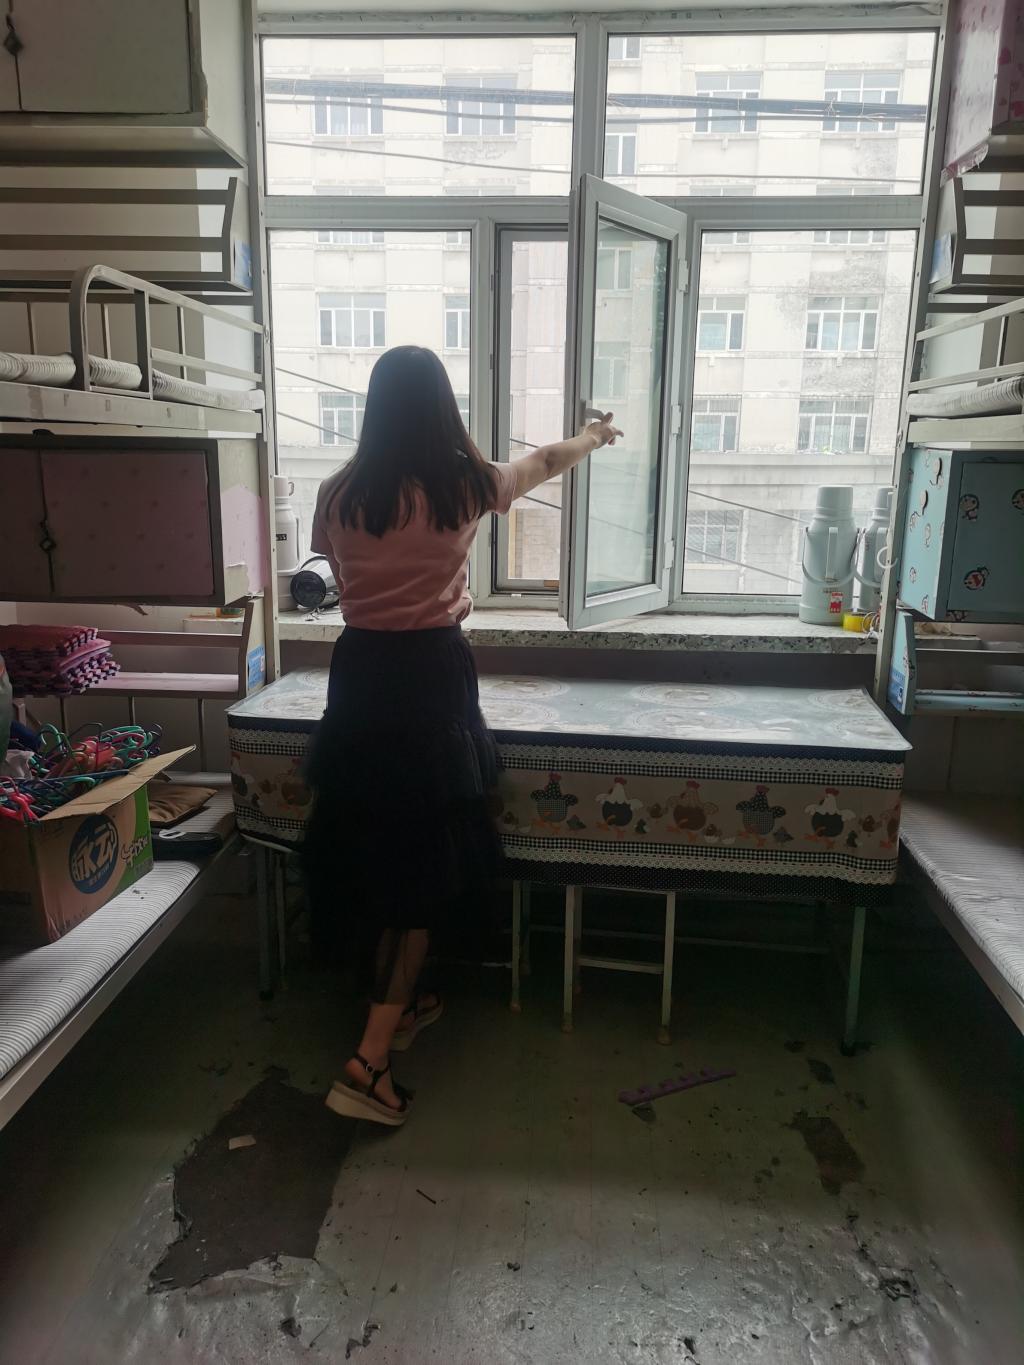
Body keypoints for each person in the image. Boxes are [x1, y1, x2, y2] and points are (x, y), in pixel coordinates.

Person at [304, 345, 621, 1127]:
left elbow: (337, 571)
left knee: (376, 849)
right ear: (442, 409)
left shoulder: (337, 493)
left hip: (360, 675)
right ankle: (368, 1063)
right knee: (421, 867)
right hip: (432, 677)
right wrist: (593, 435)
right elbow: (544, 461)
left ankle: (401, 1006)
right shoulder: (463, 487)